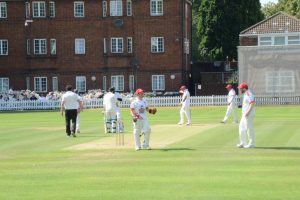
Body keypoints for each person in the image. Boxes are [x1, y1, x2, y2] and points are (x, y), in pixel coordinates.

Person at [237, 82, 255, 148]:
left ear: (244, 88)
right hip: (244, 114)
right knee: (241, 128)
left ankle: (251, 144)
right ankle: (243, 143)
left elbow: (252, 103)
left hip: (248, 114)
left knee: (249, 128)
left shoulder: (248, 94)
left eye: (241, 88)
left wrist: (248, 112)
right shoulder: (245, 94)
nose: (240, 89)